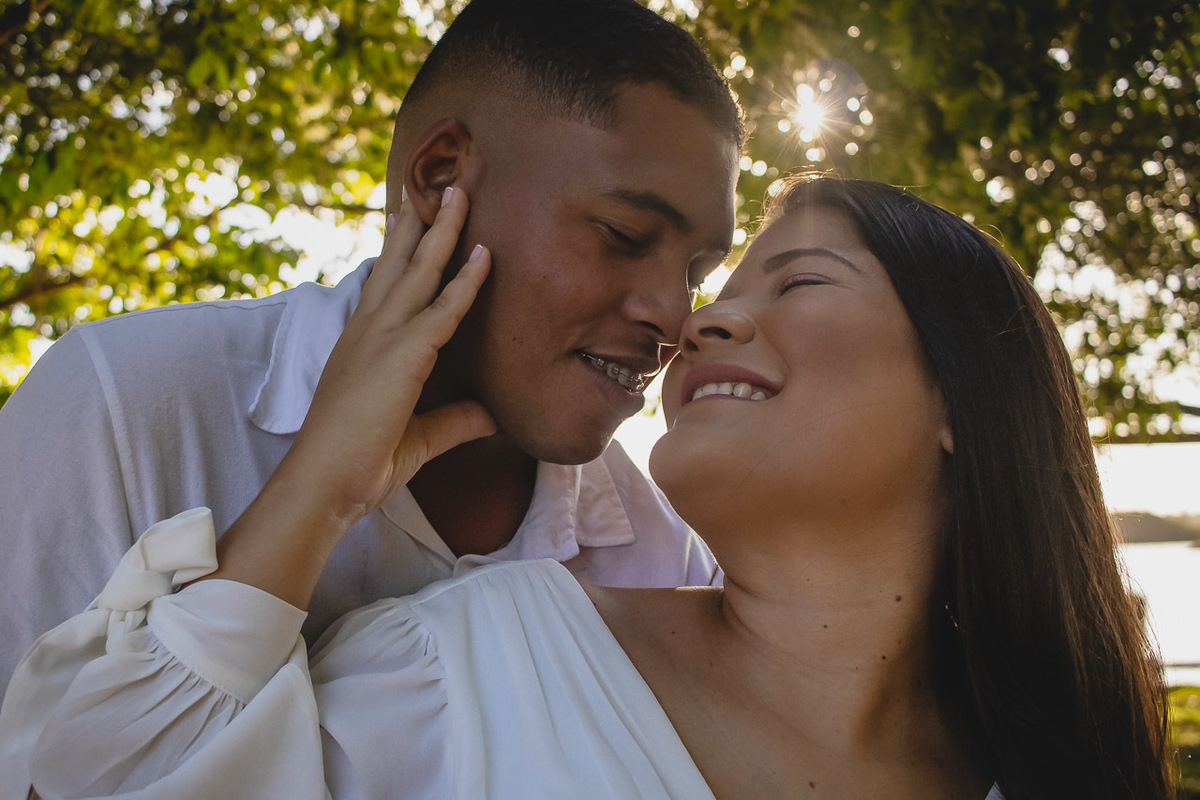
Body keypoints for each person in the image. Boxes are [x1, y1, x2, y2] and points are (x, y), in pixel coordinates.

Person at [3, 178, 1172, 799]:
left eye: (799, 277)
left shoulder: (1065, 761)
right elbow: (97, 779)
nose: (692, 315)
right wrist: (322, 483)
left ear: (965, 397)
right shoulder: (473, 665)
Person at [0, 0, 744, 689]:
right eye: (624, 236)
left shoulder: (660, 559)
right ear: (439, 175)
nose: (674, 317)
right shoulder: (130, 406)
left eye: (698, 273)